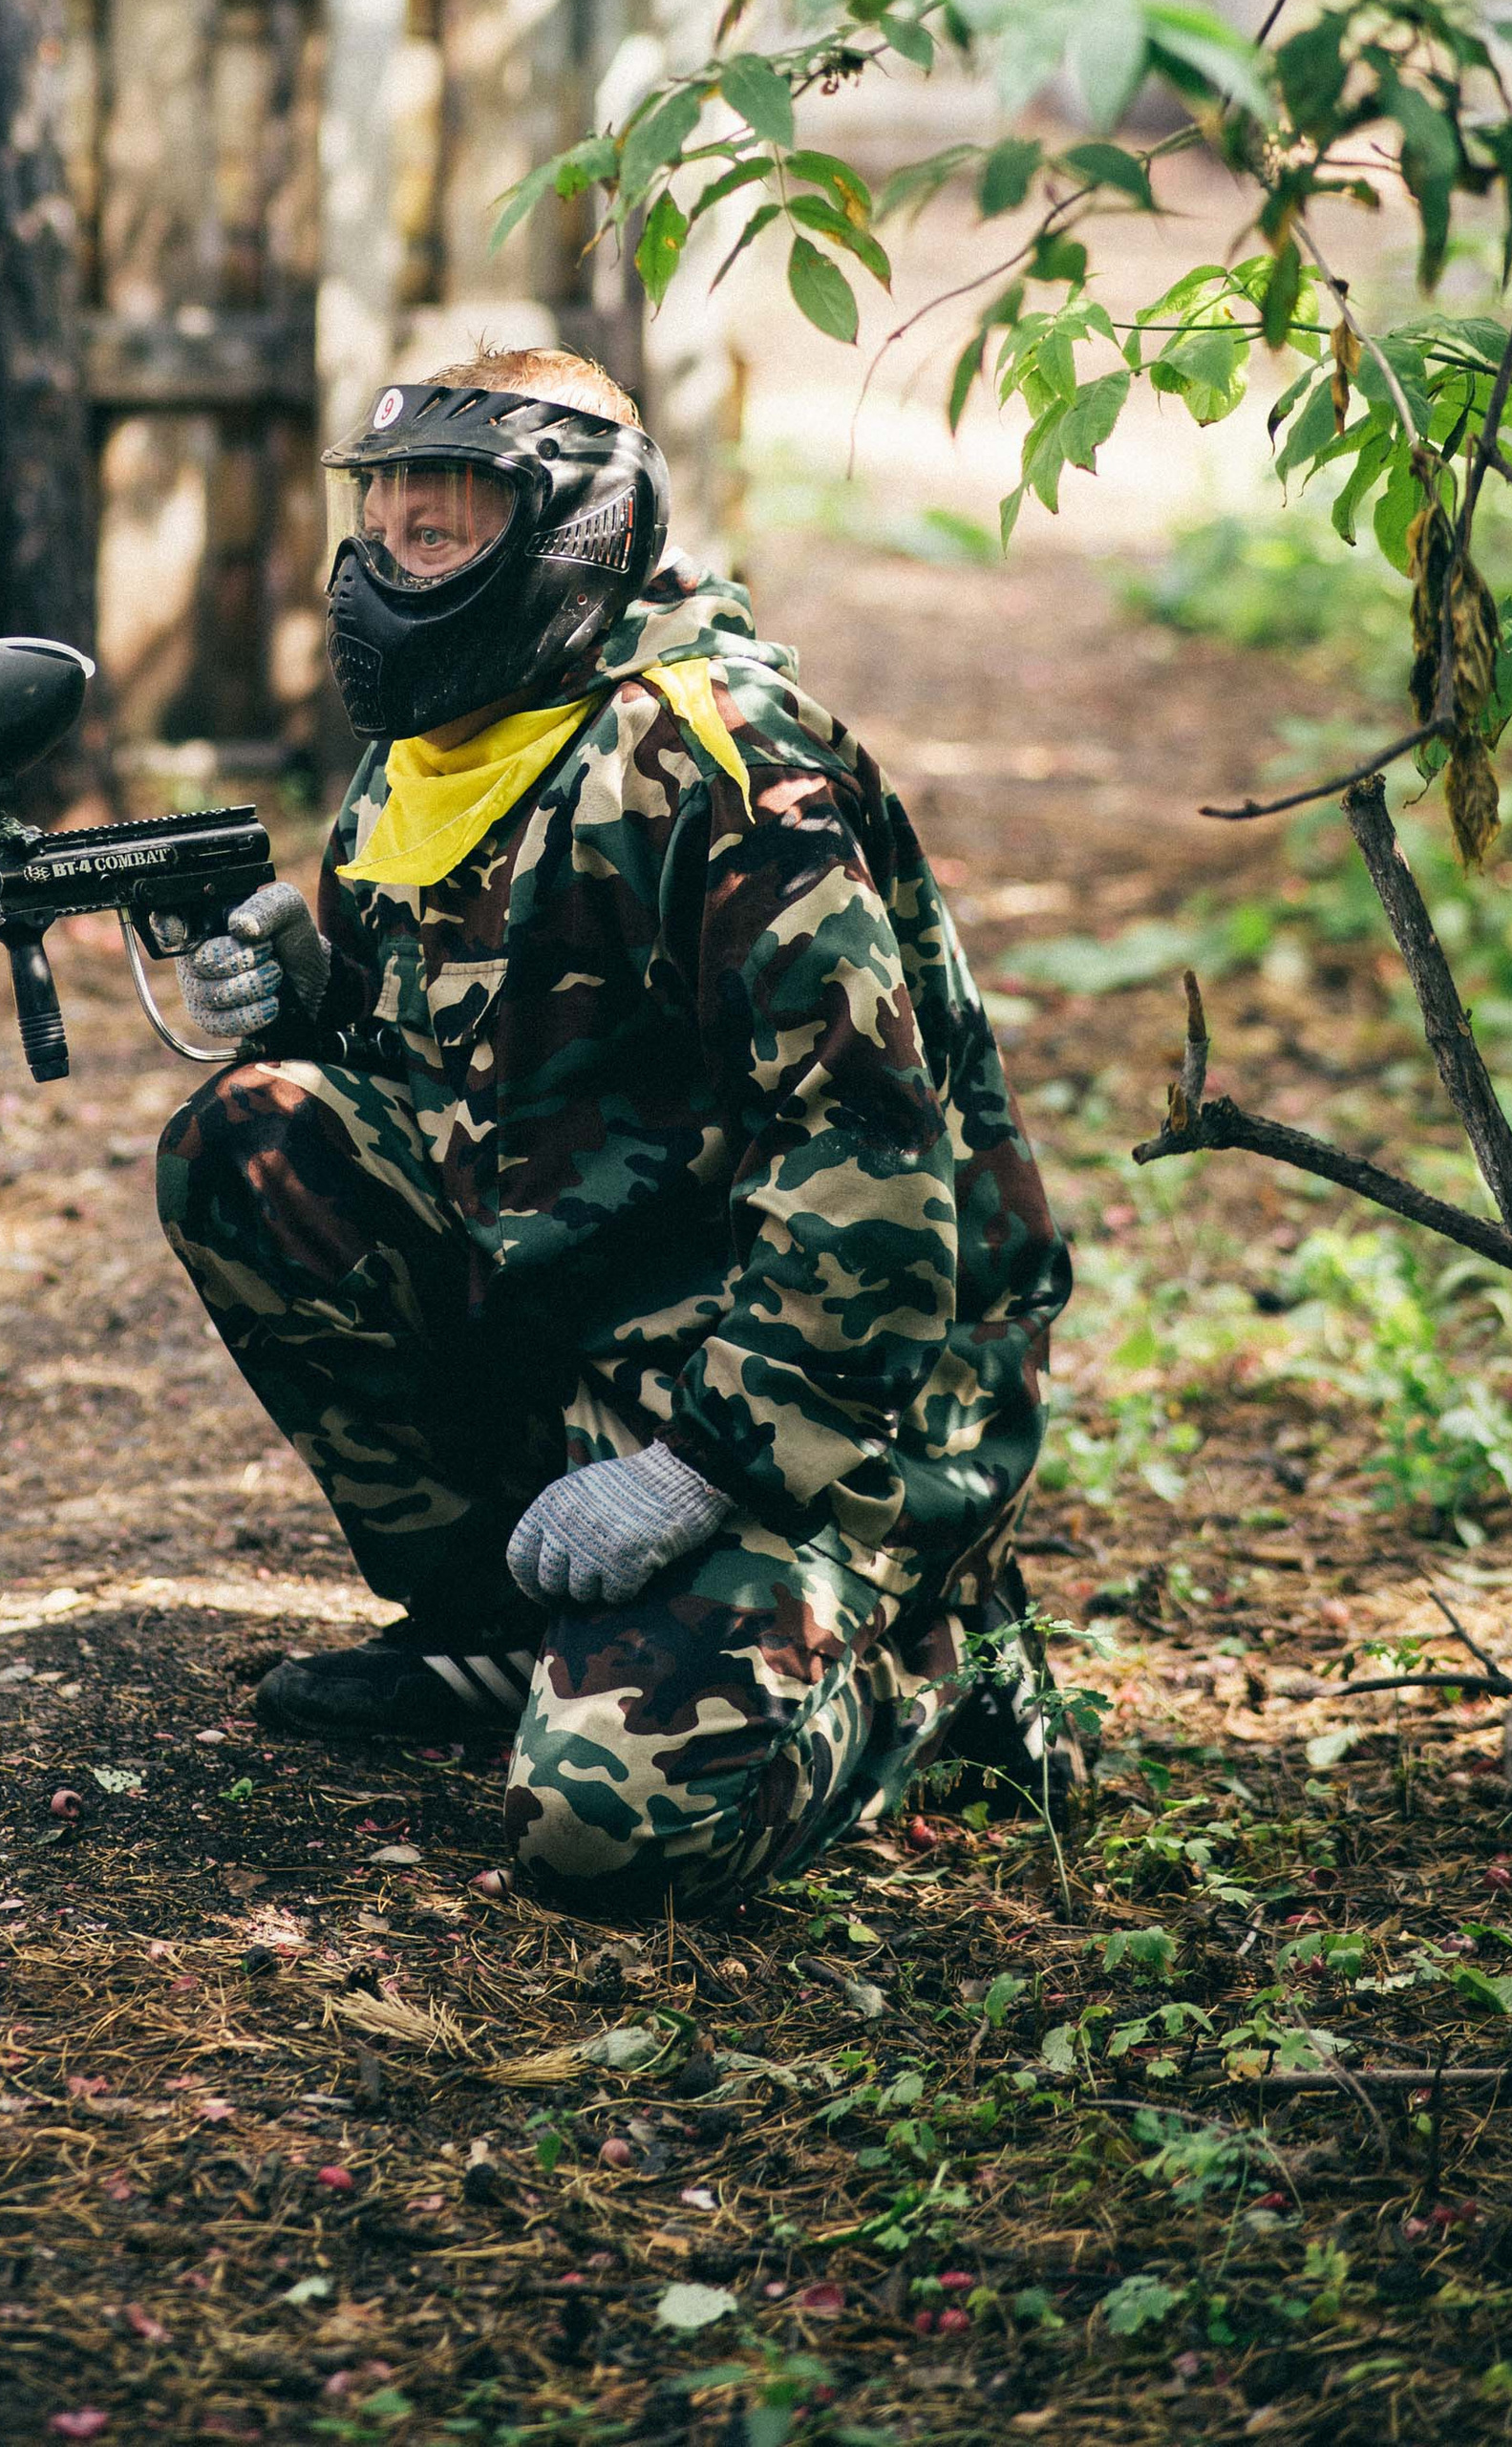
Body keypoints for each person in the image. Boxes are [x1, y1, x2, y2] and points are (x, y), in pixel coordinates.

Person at [154, 348, 1073, 1918]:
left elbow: (867, 1156)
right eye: (382, 525)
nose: (392, 568)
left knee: (611, 1834)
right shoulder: (435, 754)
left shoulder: (718, 757)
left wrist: (704, 1466)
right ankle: (487, 1621)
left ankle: (939, 1653)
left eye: (441, 535)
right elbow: (459, 1103)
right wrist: (307, 1005)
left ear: (569, 533)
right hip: (587, 1325)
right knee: (256, 1141)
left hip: (822, 1401)